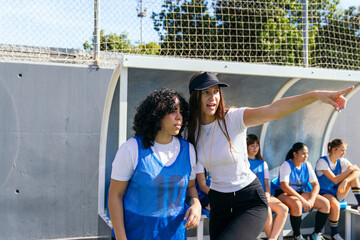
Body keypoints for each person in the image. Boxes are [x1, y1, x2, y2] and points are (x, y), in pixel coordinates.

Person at [186, 71, 353, 240]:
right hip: (219, 201)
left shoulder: (232, 118)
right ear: (194, 96)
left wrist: (315, 95)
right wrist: (195, 201)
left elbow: (274, 110)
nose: (213, 97)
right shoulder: (191, 131)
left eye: (216, 91)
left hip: (248, 200)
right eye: (206, 92)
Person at [108, 88, 201, 240]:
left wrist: (196, 204)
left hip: (175, 235)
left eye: (181, 112)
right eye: (173, 111)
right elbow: (115, 195)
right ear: (156, 114)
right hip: (136, 234)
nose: (179, 117)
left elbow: (190, 187)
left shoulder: (189, 150)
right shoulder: (131, 148)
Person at [273, 143, 330, 240]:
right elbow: (285, 186)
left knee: (325, 203)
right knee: (297, 203)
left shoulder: (307, 165)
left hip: (299, 192)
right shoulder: (286, 164)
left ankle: (316, 234)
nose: (306, 156)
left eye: (307, 153)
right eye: (303, 153)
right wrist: (303, 201)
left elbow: (316, 185)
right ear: (295, 154)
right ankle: (297, 235)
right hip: (283, 193)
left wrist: (311, 200)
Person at [315, 138, 360, 240]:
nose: (344, 153)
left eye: (345, 150)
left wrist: (345, 181)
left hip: (337, 191)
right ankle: (334, 234)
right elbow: (334, 180)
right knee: (335, 204)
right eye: (342, 150)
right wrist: (349, 171)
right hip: (324, 193)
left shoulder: (342, 161)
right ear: (334, 149)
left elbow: (357, 171)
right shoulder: (322, 161)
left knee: (354, 177)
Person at [247, 134, 288, 240]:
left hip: (264, 197)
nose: (255, 148)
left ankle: (272, 238)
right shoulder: (243, 163)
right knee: (267, 210)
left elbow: (266, 184)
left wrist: (268, 194)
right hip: (251, 198)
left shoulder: (262, 163)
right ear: (246, 146)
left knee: (284, 209)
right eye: (252, 145)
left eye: (257, 145)